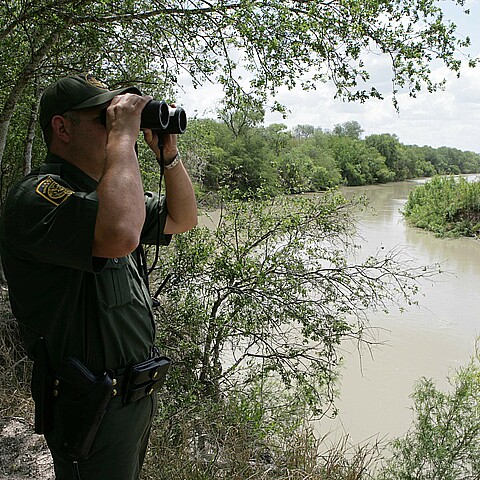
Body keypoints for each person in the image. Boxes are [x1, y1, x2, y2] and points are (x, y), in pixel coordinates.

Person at [0, 73, 198, 479]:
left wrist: (168, 157)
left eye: (115, 120)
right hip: (89, 404)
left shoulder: (107, 194)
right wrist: (122, 139)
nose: (113, 127)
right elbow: (121, 233)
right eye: (103, 119)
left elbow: (183, 217)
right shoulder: (38, 195)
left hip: (133, 399)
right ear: (62, 127)